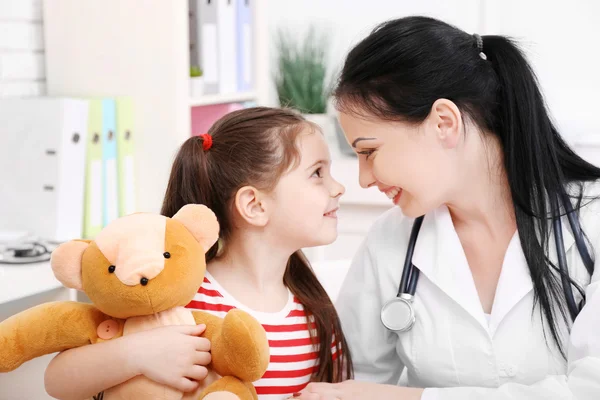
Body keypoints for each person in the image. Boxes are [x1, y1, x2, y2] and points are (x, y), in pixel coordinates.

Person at [294, 16, 600, 400]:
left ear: (443, 122)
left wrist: (413, 398)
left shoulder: (592, 222)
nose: (364, 179)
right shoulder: (390, 239)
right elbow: (352, 383)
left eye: (369, 152)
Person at [44, 107, 353, 400]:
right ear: (254, 205)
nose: (338, 187)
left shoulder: (315, 312)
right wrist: (139, 354)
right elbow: (57, 381)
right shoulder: (173, 297)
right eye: (317, 173)